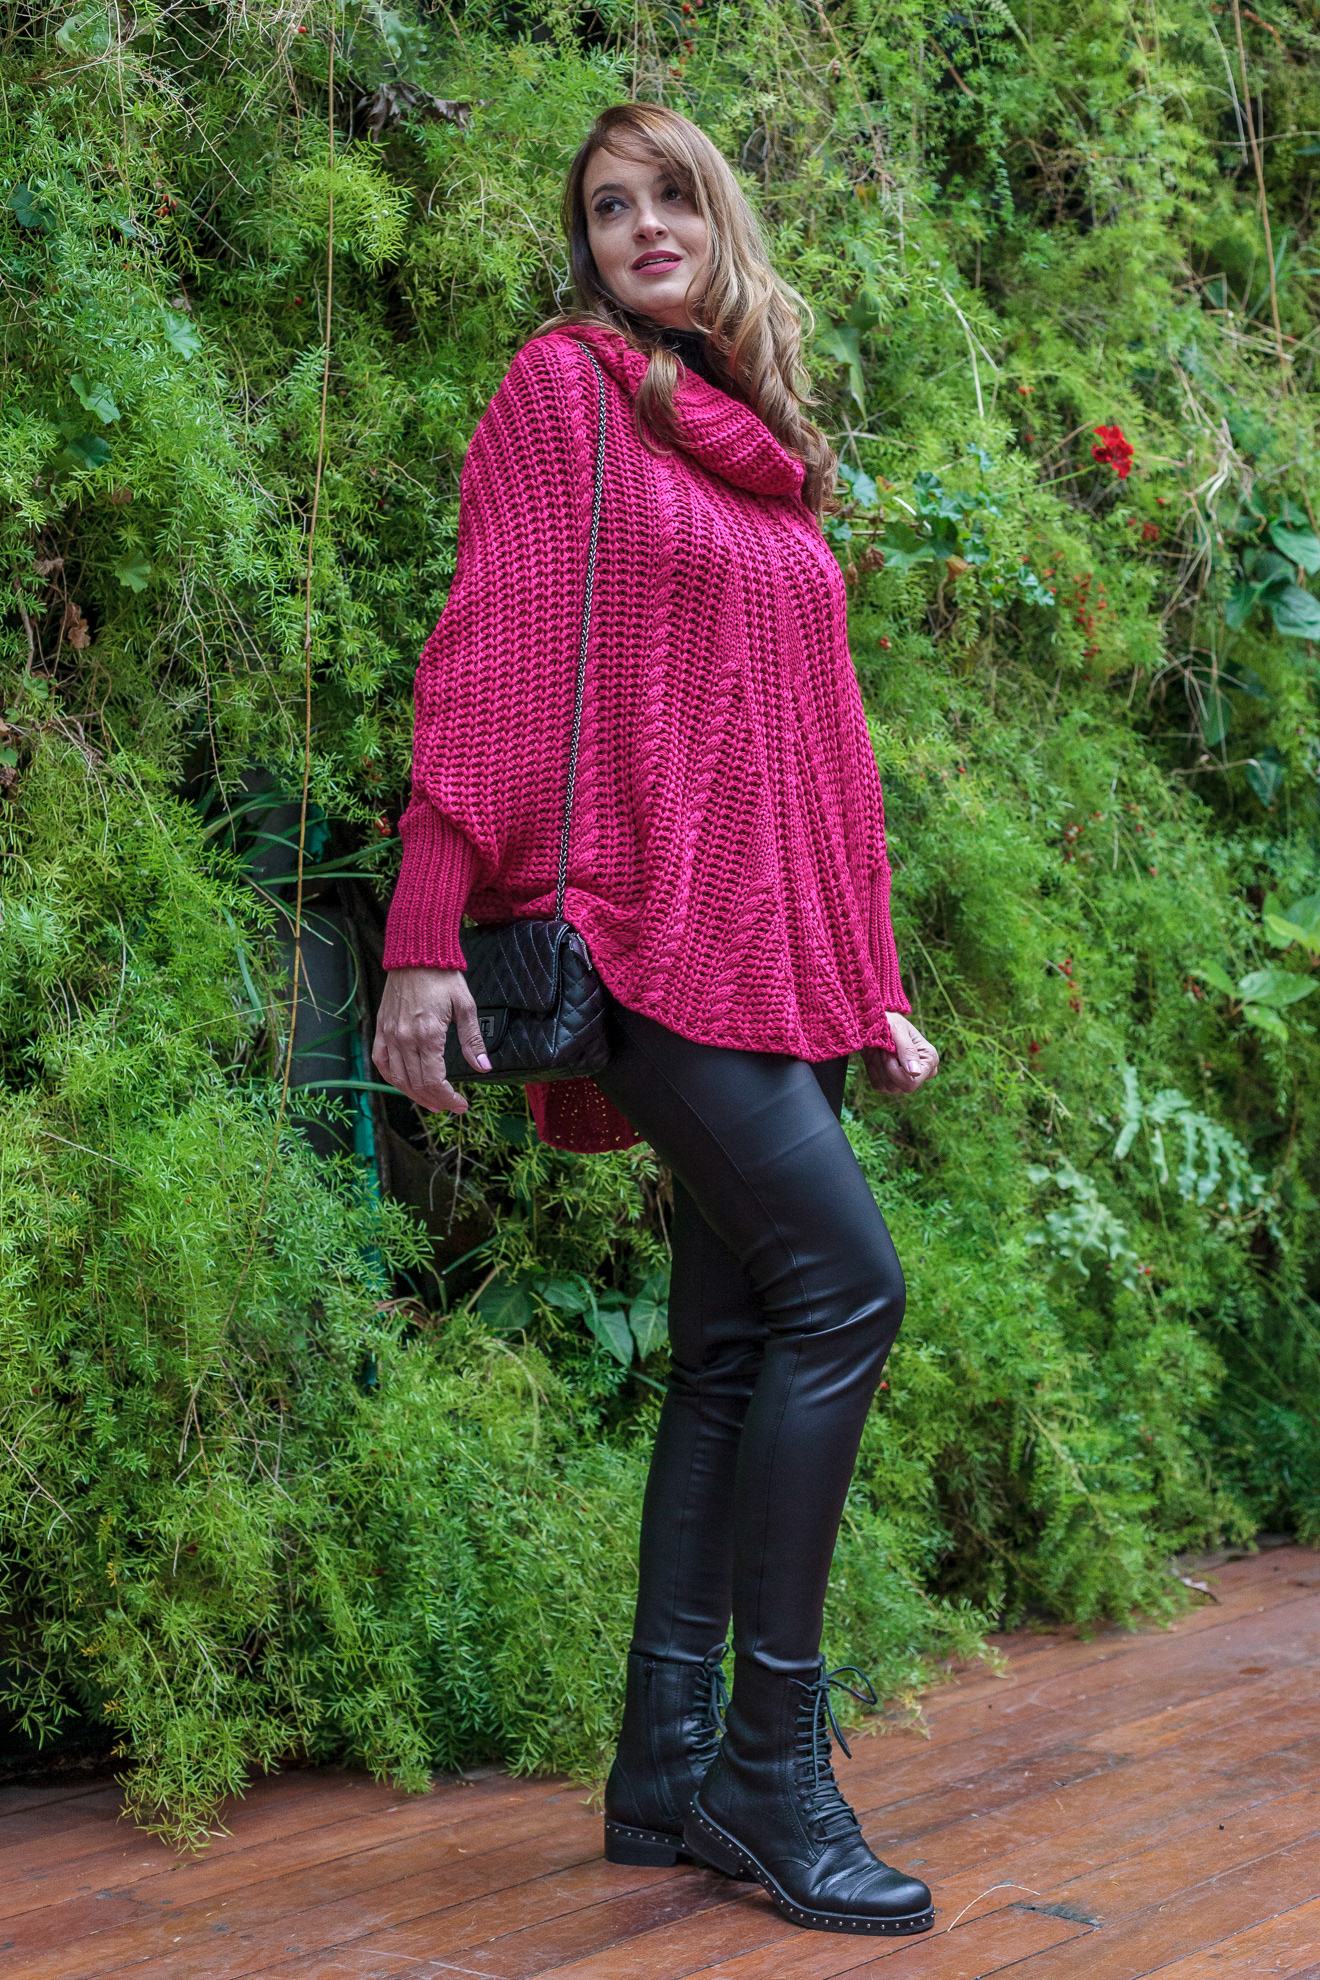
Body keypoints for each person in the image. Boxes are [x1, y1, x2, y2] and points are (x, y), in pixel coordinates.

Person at [372, 101, 940, 1938]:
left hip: (772, 952)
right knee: (846, 1292)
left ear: (722, 217)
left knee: (731, 1344)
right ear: (590, 247)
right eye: (610, 206)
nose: (643, 224)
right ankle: (771, 1768)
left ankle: (666, 1765)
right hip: (636, 927)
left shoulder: (765, 453)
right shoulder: (564, 394)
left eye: (672, 193)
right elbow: (492, 657)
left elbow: (821, 752)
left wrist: (871, 980)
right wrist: (426, 930)